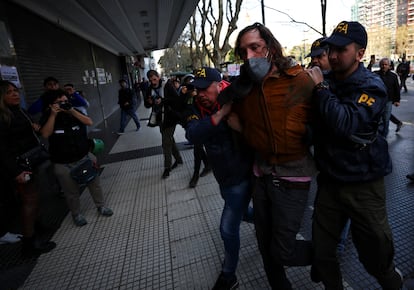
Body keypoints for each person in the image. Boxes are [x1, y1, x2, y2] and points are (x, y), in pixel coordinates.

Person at [307, 21, 402, 289]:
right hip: (330, 182)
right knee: (323, 254)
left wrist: (321, 90)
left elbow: (345, 122)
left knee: (377, 258)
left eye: (341, 49)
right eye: (330, 49)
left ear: (360, 53)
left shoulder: (371, 86)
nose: (333, 55)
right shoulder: (325, 82)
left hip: (364, 183)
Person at [228, 23, 317, 289]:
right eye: (243, 52)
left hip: (294, 177)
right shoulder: (245, 89)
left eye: (255, 47)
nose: (249, 57)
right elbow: (228, 110)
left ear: (270, 47)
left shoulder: (300, 80)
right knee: (266, 247)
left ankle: (324, 257)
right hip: (262, 175)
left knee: (283, 250)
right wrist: (241, 127)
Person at [184, 67, 254, 289]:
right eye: (197, 90)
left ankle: (228, 275)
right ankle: (264, 221)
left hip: (243, 174)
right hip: (223, 176)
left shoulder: (237, 98)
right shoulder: (195, 106)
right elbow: (192, 133)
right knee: (243, 212)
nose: (200, 94)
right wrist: (220, 115)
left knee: (227, 227)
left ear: (218, 85)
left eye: (205, 89)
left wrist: (240, 126)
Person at [39, 89, 113, 226]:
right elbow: (45, 134)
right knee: (71, 191)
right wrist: (53, 115)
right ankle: (76, 214)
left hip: (84, 157)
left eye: (66, 101)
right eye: (59, 102)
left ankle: (101, 206)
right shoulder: (48, 117)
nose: (63, 104)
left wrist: (71, 110)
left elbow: (89, 122)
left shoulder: (74, 113)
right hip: (63, 162)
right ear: (51, 105)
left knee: (95, 184)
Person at [0, 80, 56, 257]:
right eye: (9, 92)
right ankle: (28, 244)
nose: (15, 94)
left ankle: (37, 226)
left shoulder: (19, 111)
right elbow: (2, 149)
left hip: (31, 159)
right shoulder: (2, 116)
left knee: (34, 196)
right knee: (29, 200)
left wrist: (34, 127)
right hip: (19, 166)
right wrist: (16, 172)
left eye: (15, 90)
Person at [144, 70, 183, 179]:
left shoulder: (167, 86)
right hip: (159, 119)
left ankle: (167, 168)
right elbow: (146, 104)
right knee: (169, 139)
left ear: (158, 76)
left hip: (170, 118)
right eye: (151, 80)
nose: (153, 82)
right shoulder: (149, 89)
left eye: (155, 79)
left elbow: (176, 99)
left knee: (165, 143)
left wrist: (163, 100)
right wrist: (150, 102)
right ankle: (179, 160)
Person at [179, 73, 211, 187]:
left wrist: (196, 96)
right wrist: (184, 95)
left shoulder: (200, 94)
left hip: (199, 122)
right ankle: (207, 165)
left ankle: (196, 174)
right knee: (198, 146)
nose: (191, 87)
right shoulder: (183, 94)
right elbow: (179, 107)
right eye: (188, 85)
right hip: (189, 122)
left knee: (197, 147)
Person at [375, 58, 403, 137]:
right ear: (380, 65)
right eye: (382, 64)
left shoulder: (393, 76)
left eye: (386, 64)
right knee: (378, 120)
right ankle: (379, 137)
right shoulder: (375, 74)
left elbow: (397, 89)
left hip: (388, 101)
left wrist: (397, 100)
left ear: (389, 66)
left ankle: (383, 137)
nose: (384, 66)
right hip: (377, 101)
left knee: (386, 119)